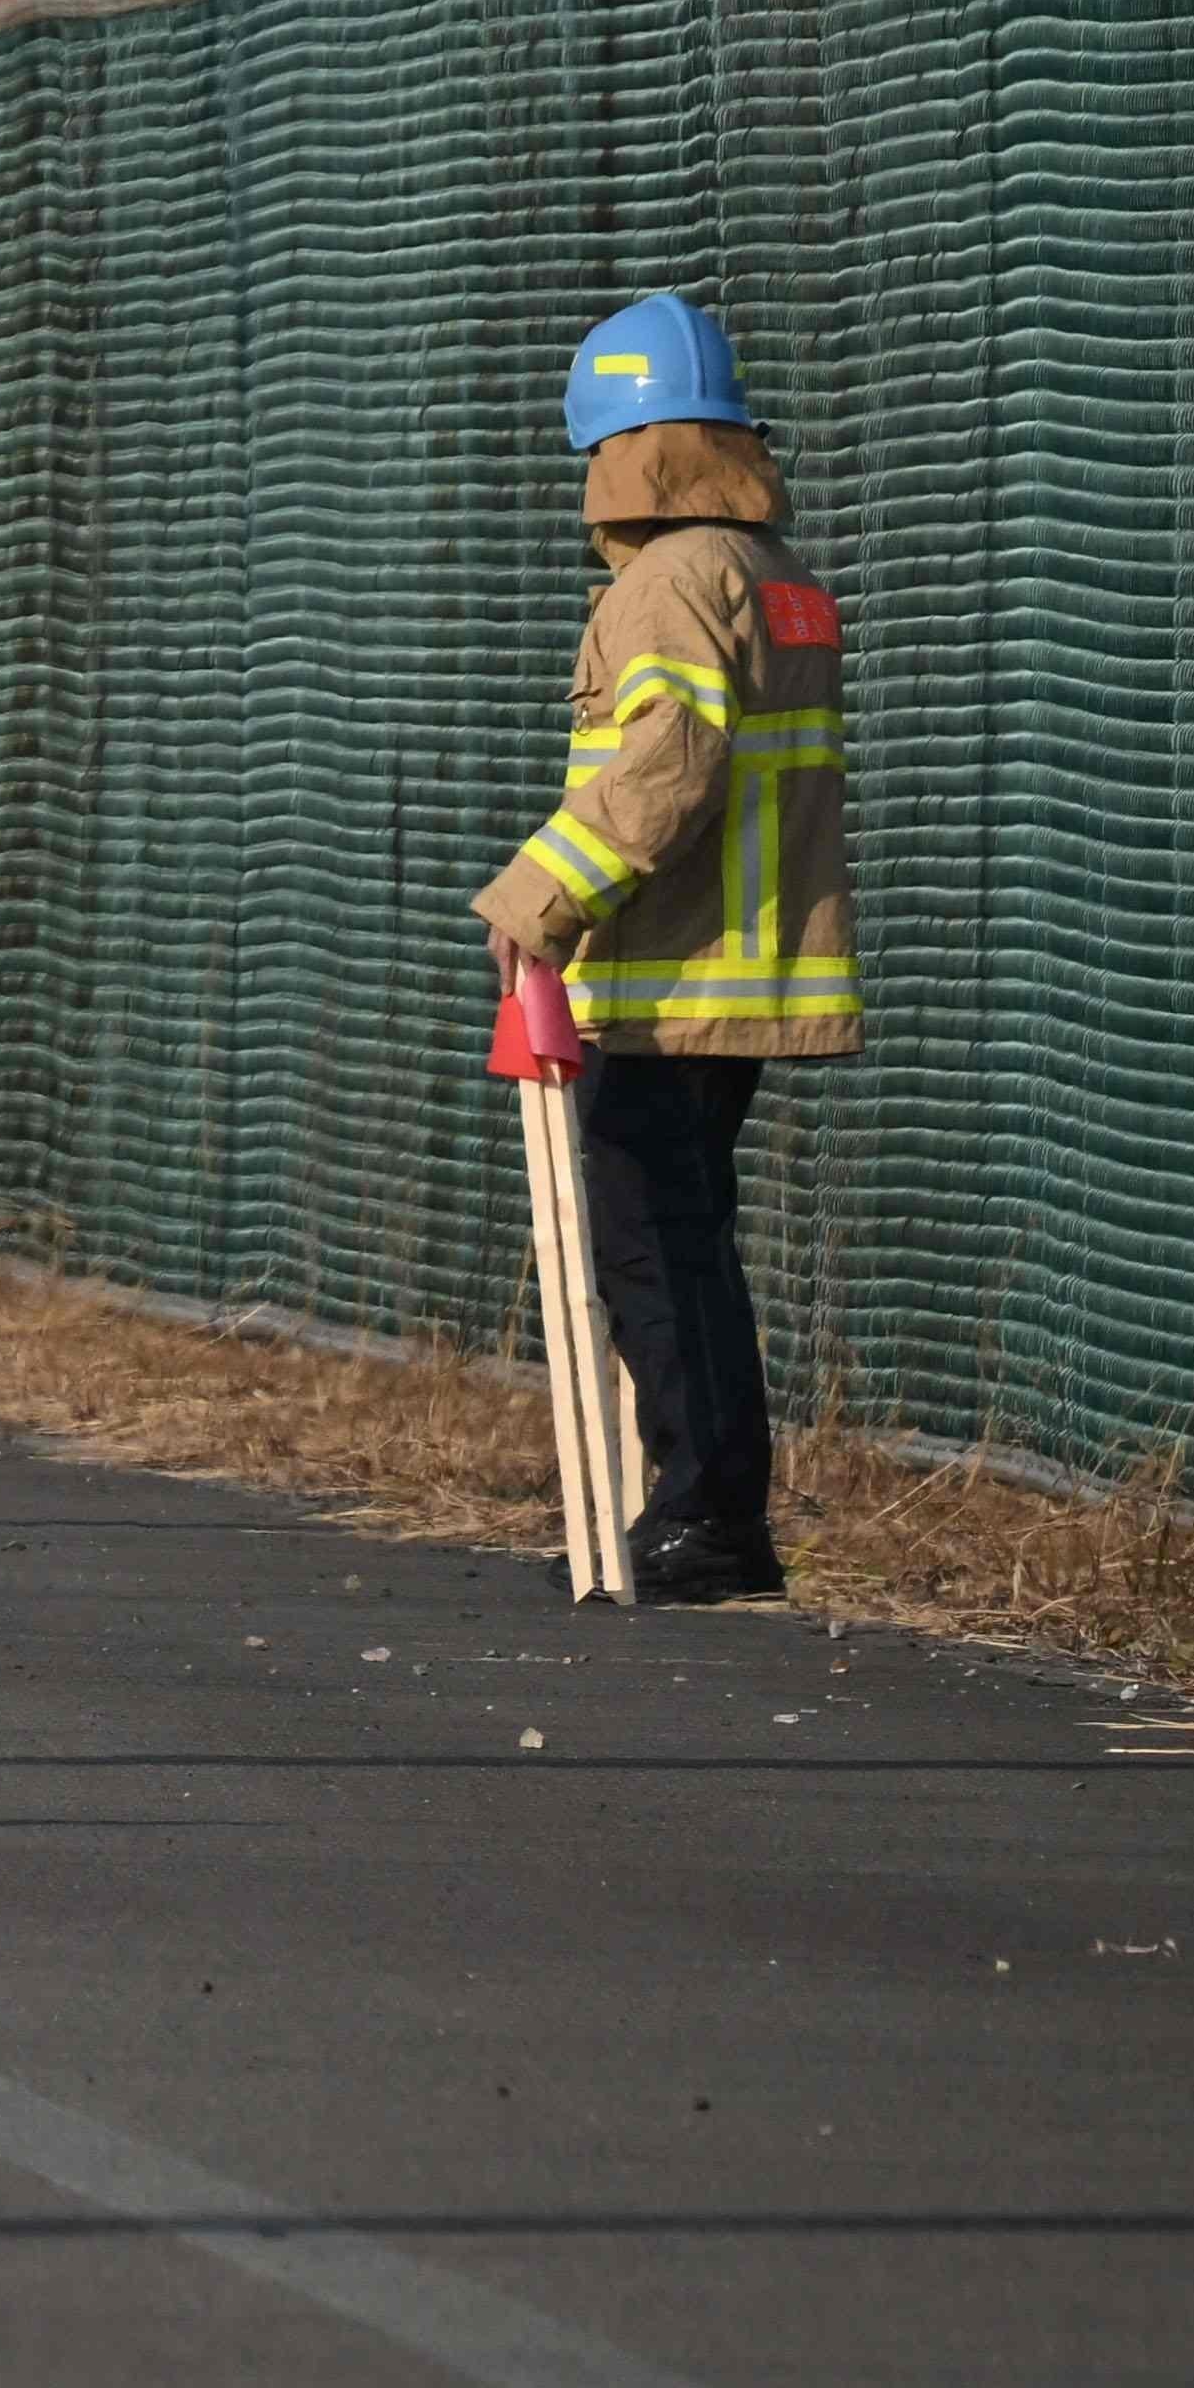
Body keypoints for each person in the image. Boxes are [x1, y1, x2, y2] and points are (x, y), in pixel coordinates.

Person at [474, 291, 853, 1604]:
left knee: (651, 1243)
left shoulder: (668, 585)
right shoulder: (773, 575)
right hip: (738, 968)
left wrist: (539, 895)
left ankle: (704, 1513)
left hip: (678, 975)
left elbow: (666, 764)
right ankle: (715, 1507)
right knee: (689, 1238)